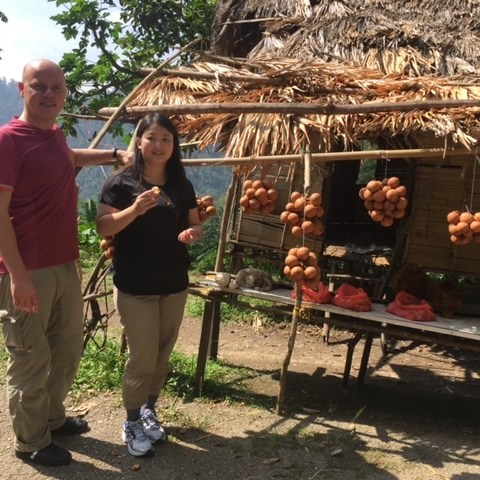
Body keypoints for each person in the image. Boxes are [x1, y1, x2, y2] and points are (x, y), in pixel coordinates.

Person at [0, 59, 130, 467]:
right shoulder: (8, 140)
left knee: (66, 346)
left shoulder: (53, 135)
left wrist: (113, 154)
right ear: (22, 89)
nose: (48, 94)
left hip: (64, 263)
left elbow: (69, 157)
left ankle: (52, 418)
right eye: (39, 86)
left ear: (65, 93)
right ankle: (31, 441)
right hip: (28, 270)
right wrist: (18, 277)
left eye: (56, 87)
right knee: (31, 355)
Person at [96, 112, 204, 457]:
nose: (158, 145)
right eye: (152, 138)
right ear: (139, 142)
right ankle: (131, 421)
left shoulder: (181, 185)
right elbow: (103, 227)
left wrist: (192, 233)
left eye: (166, 139)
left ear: (174, 146)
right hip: (134, 285)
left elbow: (195, 224)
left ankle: (148, 410)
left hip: (173, 283)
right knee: (142, 358)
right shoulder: (121, 183)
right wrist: (134, 211)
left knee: (161, 357)